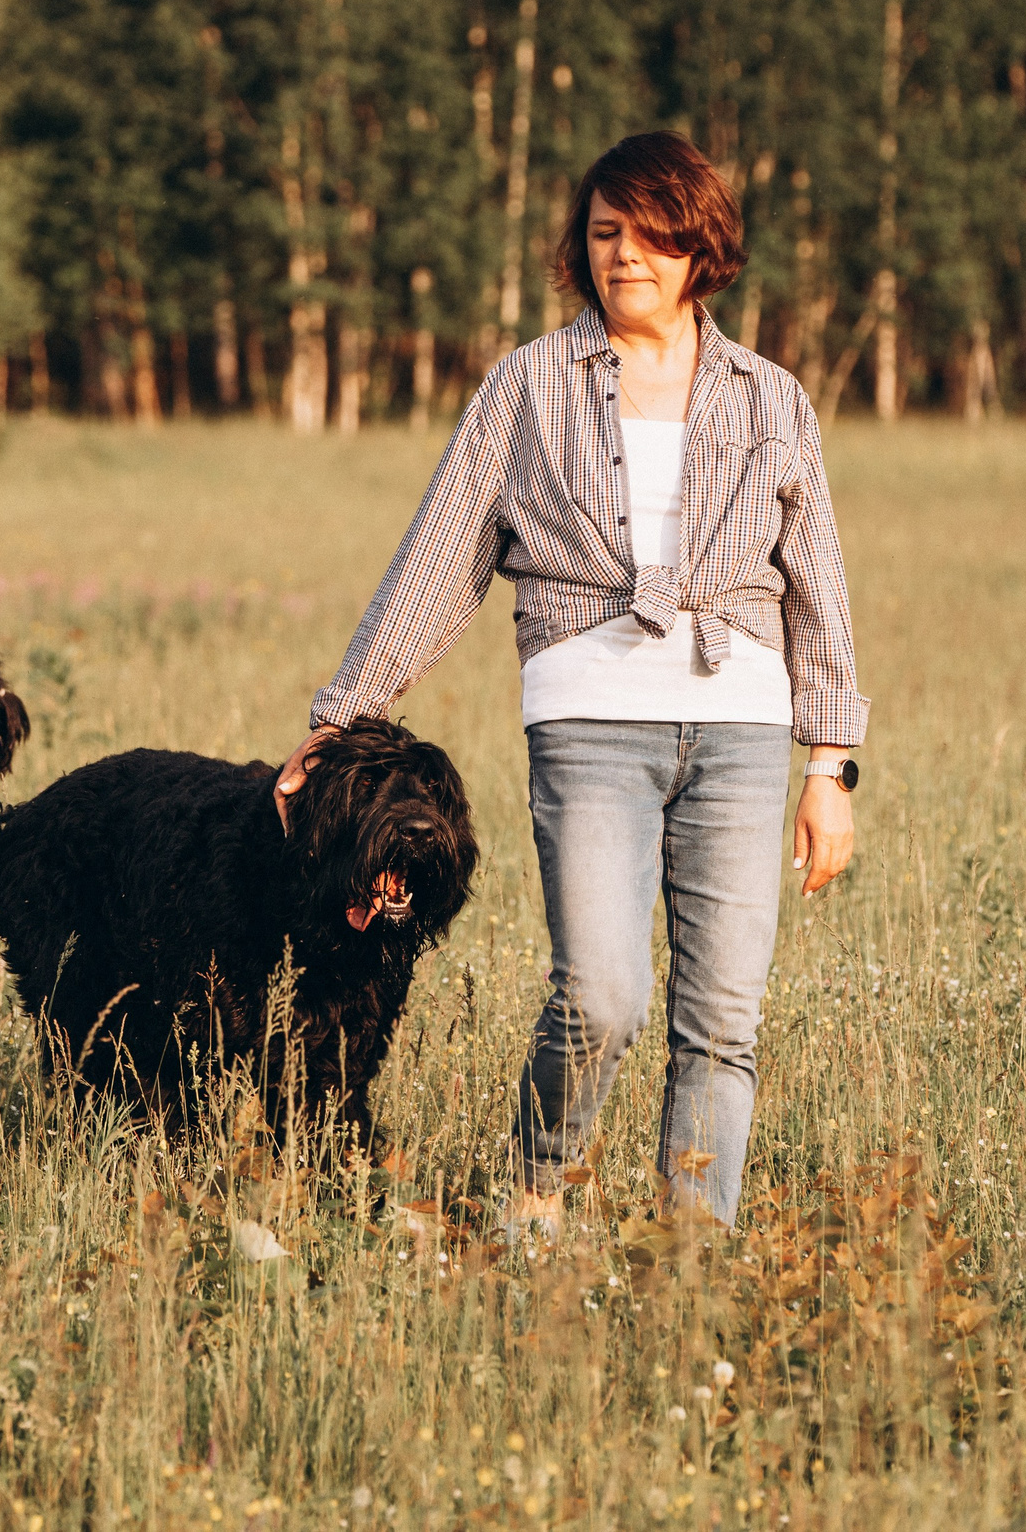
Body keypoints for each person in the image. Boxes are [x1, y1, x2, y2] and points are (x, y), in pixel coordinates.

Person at [275, 130, 867, 1232]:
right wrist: (341, 716)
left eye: (650, 236)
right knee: (600, 996)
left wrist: (828, 765)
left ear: (702, 250)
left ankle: (694, 1253)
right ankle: (537, 1189)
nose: (624, 257)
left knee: (721, 1019)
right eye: (604, 234)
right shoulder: (528, 384)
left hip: (738, 719)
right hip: (588, 722)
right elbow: (439, 558)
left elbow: (816, 586)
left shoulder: (771, 397)